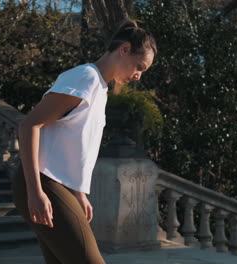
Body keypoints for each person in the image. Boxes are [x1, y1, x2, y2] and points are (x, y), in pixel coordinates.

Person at [12, 17, 157, 264]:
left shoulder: (99, 88)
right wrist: (35, 191)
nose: (138, 76)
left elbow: (76, 145)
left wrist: (79, 192)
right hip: (45, 182)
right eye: (139, 67)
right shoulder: (85, 77)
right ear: (124, 50)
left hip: (59, 185)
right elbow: (29, 125)